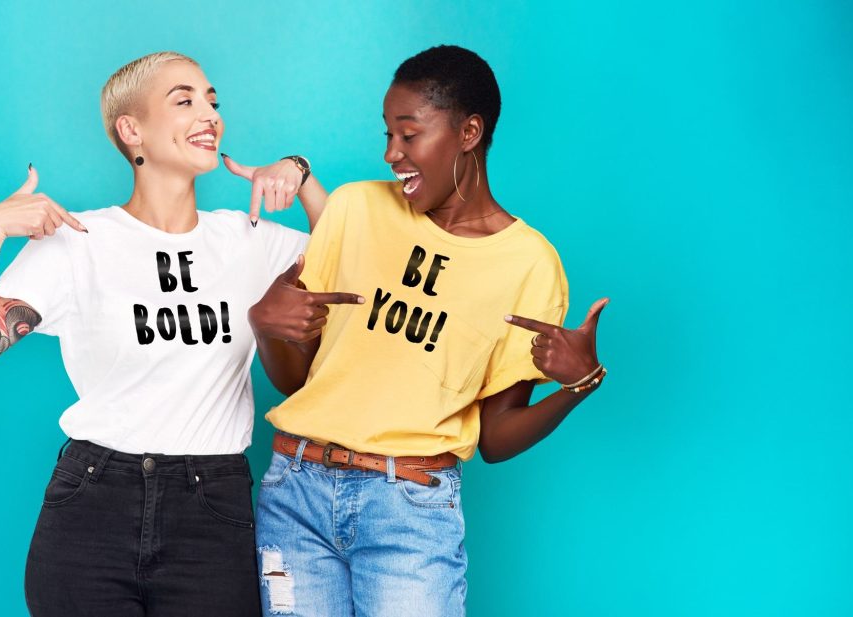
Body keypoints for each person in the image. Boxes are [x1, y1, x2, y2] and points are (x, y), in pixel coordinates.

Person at [0, 51, 338, 617]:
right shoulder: (78, 240)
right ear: (131, 130)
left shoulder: (248, 240)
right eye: (185, 100)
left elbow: (355, 265)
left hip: (212, 506)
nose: (209, 115)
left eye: (212, 102)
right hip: (92, 502)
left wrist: (302, 174)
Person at [242, 45, 610, 616]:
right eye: (387, 134)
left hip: (410, 514)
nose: (392, 153)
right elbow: (298, 382)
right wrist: (266, 327)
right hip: (295, 495)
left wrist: (579, 384)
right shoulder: (354, 209)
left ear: (468, 132)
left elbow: (496, 437)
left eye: (409, 135)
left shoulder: (528, 263)